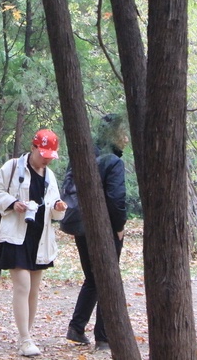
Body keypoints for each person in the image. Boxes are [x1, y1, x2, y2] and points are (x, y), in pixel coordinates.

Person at [0, 128, 67, 357]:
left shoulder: (49, 176)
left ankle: (28, 334)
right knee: (22, 286)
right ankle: (24, 339)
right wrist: (13, 203)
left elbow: (53, 209)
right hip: (15, 235)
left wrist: (58, 208)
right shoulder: (13, 167)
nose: (46, 159)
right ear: (33, 148)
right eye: (43, 154)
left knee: (34, 290)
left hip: (40, 238)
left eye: (50, 155)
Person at [63, 113, 128, 354]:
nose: (127, 140)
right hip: (105, 230)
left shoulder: (85, 154)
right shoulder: (112, 161)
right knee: (107, 279)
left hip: (81, 226)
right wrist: (119, 227)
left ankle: (76, 328)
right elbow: (116, 199)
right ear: (113, 135)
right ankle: (103, 338)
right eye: (123, 134)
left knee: (93, 278)